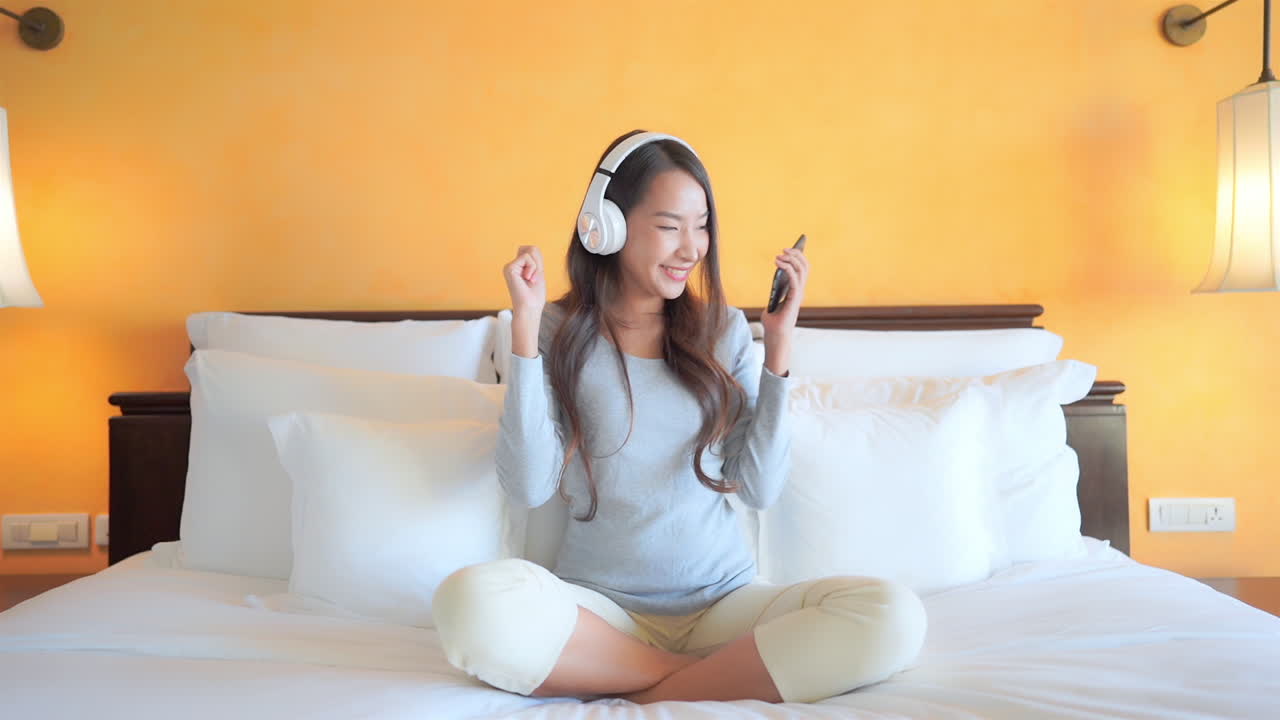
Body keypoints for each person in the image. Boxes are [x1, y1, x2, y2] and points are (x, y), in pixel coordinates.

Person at [433, 130, 927, 704]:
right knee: (468, 603)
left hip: (724, 605)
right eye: (670, 226)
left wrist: (778, 348)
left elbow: (760, 489)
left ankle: (631, 682)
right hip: (601, 611)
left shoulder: (722, 330)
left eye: (701, 226)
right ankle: (702, 675)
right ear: (607, 225)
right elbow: (527, 484)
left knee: (893, 615)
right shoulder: (557, 329)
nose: (692, 249)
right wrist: (524, 327)